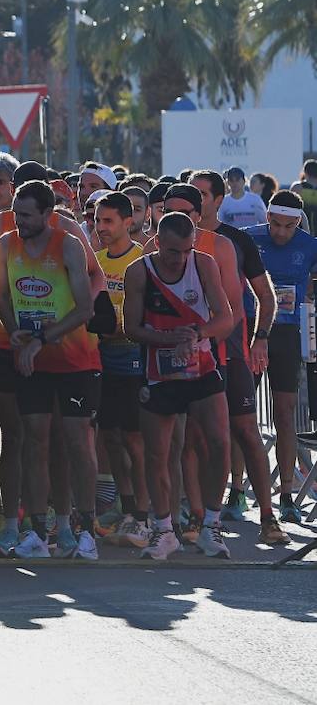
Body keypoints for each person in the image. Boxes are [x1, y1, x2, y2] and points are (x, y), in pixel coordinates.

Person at [0, 181, 102, 560]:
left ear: (46, 214)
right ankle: (38, 531)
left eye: (26, 215)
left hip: (74, 360)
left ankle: (85, 529)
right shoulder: (7, 244)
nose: (18, 221)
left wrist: (42, 338)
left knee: (75, 442)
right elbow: (3, 297)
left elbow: (85, 308)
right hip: (32, 360)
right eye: (15, 214)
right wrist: (17, 336)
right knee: (33, 440)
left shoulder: (68, 245)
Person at [123, 212, 235, 560]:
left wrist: (198, 334)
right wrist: (167, 338)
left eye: (186, 250)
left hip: (201, 368)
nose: (180, 258)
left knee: (219, 443)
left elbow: (226, 318)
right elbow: (131, 328)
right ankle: (164, 529)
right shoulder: (140, 271)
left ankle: (211, 525)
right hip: (160, 373)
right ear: (157, 242)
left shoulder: (203, 265)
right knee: (158, 454)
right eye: (173, 251)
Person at [192, 171, 285, 543]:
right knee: (195, 438)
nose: (196, 202)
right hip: (191, 357)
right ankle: (199, 519)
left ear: (218, 200)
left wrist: (260, 337)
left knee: (246, 430)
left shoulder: (236, 241)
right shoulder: (167, 240)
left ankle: (269, 516)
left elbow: (266, 295)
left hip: (231, 352)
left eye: (201, 195)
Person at [245, 189, 317, 525]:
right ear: (267, 217)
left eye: (290, 226)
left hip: (288, 336)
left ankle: (287, 493)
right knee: (241, 416)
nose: (282, 233)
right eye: (276, 224)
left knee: (285, 415)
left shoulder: (309, 245)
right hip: (251, 332)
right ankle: (237, 493)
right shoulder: (249, 239)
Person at [92, 192, 150, 548]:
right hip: (102, 360)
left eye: (108, 221)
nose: (101, 228)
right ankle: (126, 508)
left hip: (134, 359)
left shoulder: (143, 260)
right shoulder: (95, 261)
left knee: (136, 440)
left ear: (129, 222)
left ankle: (145, 515)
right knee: (110, 437)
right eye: (98, 221)